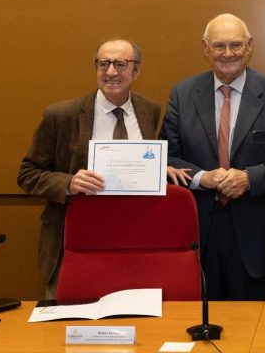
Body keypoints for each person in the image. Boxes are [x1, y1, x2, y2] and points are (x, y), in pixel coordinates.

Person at [159, 13, 265, 300]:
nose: (228, 53)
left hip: (256, 235)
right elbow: (166, 155)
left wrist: (249, 178)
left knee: (254, 330)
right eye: (219, 46)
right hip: (199, 232)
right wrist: (201, 178)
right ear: (205, 48)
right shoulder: (183, 93)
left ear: (249, 46)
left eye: (235, 45)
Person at [18, 38, 161, 297]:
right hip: (73, 242)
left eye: (121, 64)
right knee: (68, 326)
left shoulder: (149, 110)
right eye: (103, 63)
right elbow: (28, 174)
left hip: (133, 241)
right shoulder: (61, 115)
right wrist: (69, 183)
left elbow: (144, 162)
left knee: (134, 323)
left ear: (136, 71)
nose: (110, 72)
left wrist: (163, 169)